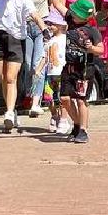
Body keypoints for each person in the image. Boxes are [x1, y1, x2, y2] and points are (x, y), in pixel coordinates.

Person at [0, 0, 43, 134]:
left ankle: (9, 113)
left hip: (16, 38)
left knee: (11, 78)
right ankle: (10, 110)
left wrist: (44, 28)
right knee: (2, 78)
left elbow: (34, 14)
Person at [61, 0, 104, 144]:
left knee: (81, 100)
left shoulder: (93, 31)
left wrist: (91, 48)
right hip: (69, 67)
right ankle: (77, 124)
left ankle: (83, 130)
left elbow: (101, 50)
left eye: (76, 13)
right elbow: (58, 4)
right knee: (65, 99)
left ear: (84, 16)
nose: (72, 14)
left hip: (85, 69)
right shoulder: (70, 20)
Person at [18, 0, 52, 117]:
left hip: (41, 27)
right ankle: (30, 96)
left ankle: (36, 103)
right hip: (25, 28)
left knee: (38, 63)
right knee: (28, 65)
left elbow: (56, 1)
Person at [33, 8, 70, 136]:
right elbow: (45, 57)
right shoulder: (49, 41)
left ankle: (62, 119)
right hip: (50, 73)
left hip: (61, 72)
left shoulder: (65, 39)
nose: (50, 26)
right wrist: (38, 69)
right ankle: (54, 115)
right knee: (48, 98)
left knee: (61, 98)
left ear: (60, 25)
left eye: (53, 24)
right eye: (49, 24)